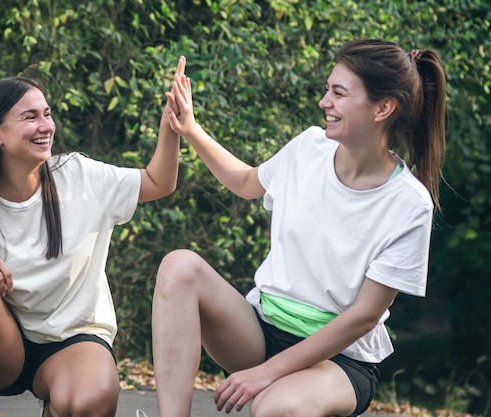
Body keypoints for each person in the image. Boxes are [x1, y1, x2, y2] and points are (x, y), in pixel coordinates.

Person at [152, 39, 446, 417]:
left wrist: (265, 375)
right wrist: (190, 129)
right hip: (262, 331)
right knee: (179, 266)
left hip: (339, 360)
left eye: (338, 94)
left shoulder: (409, 204)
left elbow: (364, 316)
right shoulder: (309, 147)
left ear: (383, 108)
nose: (325, 102)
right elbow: (246, 181)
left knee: (274, 408)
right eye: (328, 90)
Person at [0, 56, 186, 417]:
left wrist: (172, 125)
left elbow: (159, 182)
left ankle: (59, 404)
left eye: (47, 114)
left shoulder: (79, 175)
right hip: (3, 350)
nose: (45, 125)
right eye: (30, 117)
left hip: (73, 340)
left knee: (90, 400)